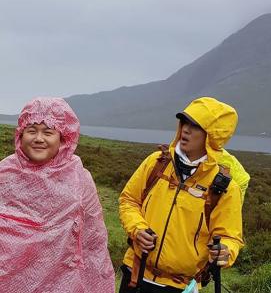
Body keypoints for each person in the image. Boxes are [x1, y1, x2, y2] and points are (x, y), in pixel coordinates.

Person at [119, 97, 247, 292]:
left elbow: (229, 236)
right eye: (184, 122)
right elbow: (129, 200)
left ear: (212, 136)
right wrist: (138, 229)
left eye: (195, 126)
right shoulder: (157, 162)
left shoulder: (225, 188)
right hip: (136, 273)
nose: (185, 129)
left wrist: (225, 251)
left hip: (180, 286)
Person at [0, 97, 115, 293]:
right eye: (31, 130)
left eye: (48, 132)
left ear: (63, 137)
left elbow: (93, 240)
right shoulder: (5, 173)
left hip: (62, 283)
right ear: (20, 134)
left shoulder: (79, 178)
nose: (38, 138)